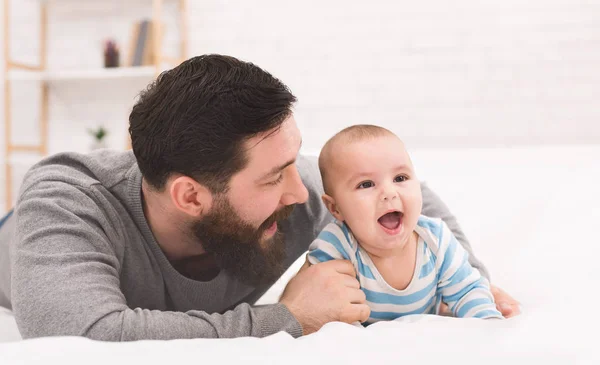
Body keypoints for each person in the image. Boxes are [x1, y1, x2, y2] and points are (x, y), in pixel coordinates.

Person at [0, 54, 519, 341]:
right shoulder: (69, 201)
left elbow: (412, 196)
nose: (301, 191)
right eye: (274, 178)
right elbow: (76, 333)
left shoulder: (297, 192)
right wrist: (289, 318)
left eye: (294, 161)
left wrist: (469, 280)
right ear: (190, 196)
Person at [307, 125, 503, 324]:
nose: (389, 192)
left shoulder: (436, 239)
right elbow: (327, 309)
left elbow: (467, 291)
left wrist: (487, 323)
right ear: (335, 208)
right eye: (366, 184)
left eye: (400, 178)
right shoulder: (336, 247)